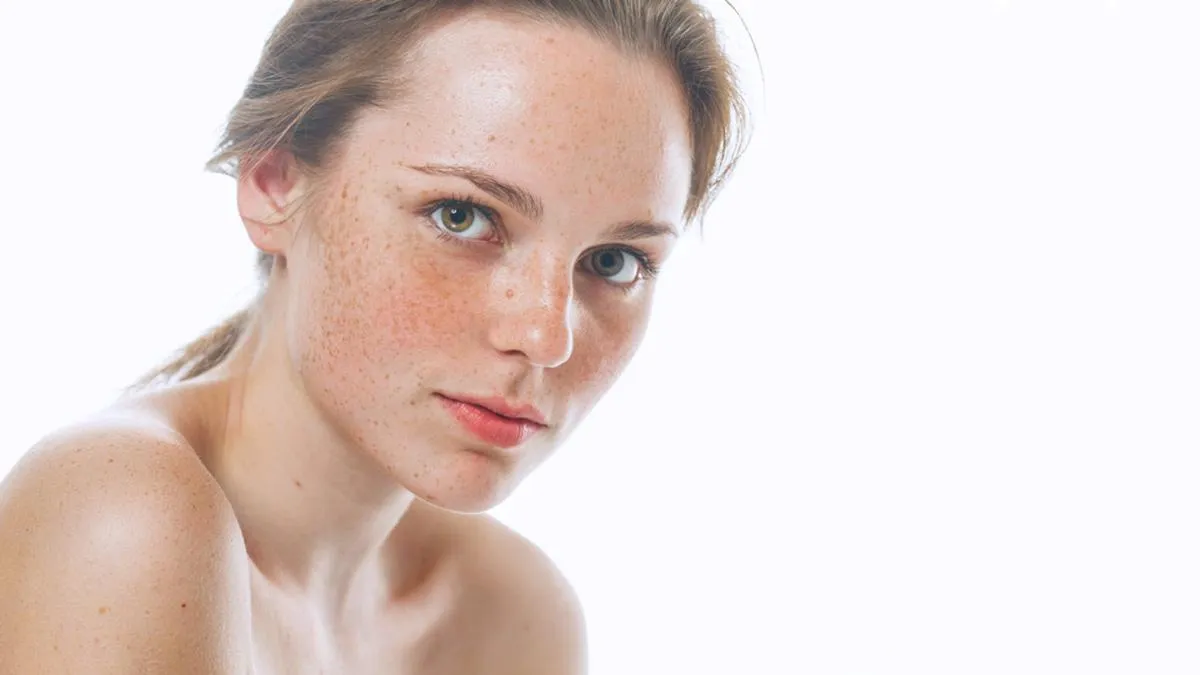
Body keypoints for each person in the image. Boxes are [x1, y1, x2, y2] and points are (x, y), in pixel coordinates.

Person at [0, 0, 746, 672]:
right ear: (274, 182)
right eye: (463, 216)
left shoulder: (510, 616)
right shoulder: (123, 518)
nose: (546, 335)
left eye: (615, 262)